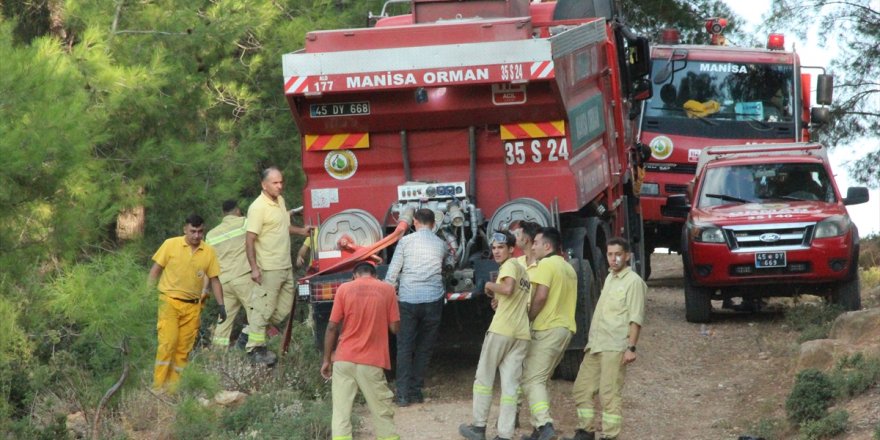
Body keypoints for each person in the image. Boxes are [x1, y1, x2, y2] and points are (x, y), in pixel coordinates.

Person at [565, 237, 646, 440]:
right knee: (581, 389)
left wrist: (631, 348)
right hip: (596, 345)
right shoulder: (610, 277)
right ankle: (586, 432)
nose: (614, 259)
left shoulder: (633, 282)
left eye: (618, 254)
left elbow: (636, 318)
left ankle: (610, 436)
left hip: (615, 346)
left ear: (627, 256)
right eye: (610, 254)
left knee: (609, 395)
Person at [459, 231, 531, 440]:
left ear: (511, 249)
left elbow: (507, 289)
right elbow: (512, 297)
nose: (497, 251)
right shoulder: (522, 270)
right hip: (521, 334)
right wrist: (497, 298)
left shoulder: (508, 266)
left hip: (502, 331)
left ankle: (479, 427)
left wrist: (487, 286)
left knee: (484, 377)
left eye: (501, 247)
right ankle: (505, 434)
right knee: (510, 387)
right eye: (494, 248)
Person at [322, 261, 401, 440]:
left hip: (343, 360)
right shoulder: (387, 289)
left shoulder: (344, 289)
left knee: (341, 415)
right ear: (375, 275)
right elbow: (395, 329)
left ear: (354, 276)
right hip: (371, 362)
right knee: (382, 413)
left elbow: (332, 327)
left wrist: (327, 359)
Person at [148, 214, 226, 391]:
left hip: (192, 307)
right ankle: (158, 388)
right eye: (193, 231)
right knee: (168, 344)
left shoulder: (208, 252)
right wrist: (146, 297)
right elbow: (155, 271)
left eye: (200, 232)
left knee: (183, 350)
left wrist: (221, 305)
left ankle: (173, 390)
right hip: (169, 302)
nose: (197, 236)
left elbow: (214, 279)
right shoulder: (171, 244)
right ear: (185, 229)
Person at [245, 167, 311, 365]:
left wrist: (301, 231)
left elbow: (282, 226)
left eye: (281, 182)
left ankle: (249, 332)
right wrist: (254, 268)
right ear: (264, 185)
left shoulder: (280, 202)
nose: (280, 186)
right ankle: (254, 349)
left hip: (285, 266)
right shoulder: (258, 208)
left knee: (281, 311)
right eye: (275, 183)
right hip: (268, 267)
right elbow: (249, 240)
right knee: (263, 308)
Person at [384, 208, 446, 407]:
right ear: (433, 224)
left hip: (408, 301)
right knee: (424, 348)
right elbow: (447, 266)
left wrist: (387, 294)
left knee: (404, 348)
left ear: (415, 222)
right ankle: (416, 390)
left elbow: (392, 274)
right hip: (433, 301)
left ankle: (402, 395)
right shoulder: (441, 244)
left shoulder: (405, 242)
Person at [521, 227, 577, 440]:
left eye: (535, 242)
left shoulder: (545, 265)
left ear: (547, 246)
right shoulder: (568, 268)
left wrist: (528, 318)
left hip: (547, 329)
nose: (532, 246)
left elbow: (541, 296)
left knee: (532, 379)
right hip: (565, 329)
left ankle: (545, 426)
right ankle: (537, 430)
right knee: (542, 379)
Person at [205, 200, 253, 348]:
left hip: (224, 283)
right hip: (243, 277)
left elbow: (207, 263)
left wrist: (205, 288)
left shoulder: (211, 234)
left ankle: (218, 354)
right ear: (238, 211)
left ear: (223, 214)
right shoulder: (245, 223)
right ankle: (252, 345)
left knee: (224, 319)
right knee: (257, 313)